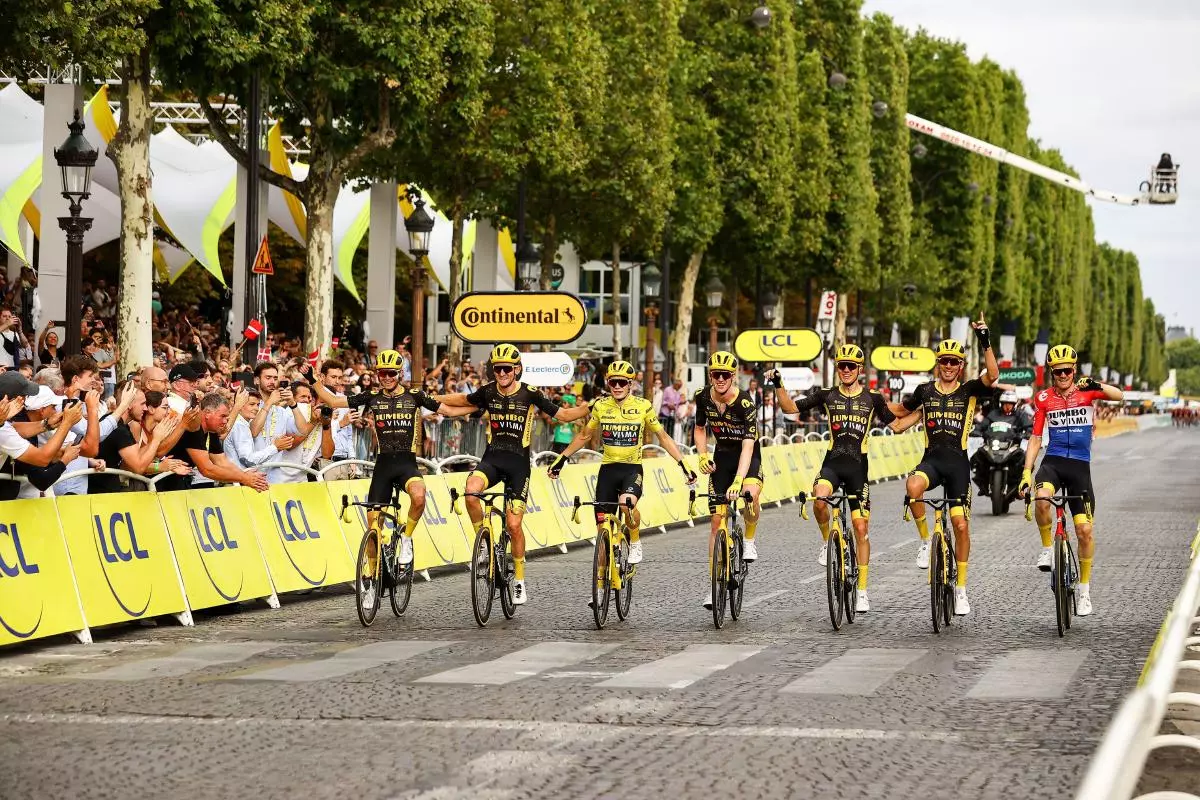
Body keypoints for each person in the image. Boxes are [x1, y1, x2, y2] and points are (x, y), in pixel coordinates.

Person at [436, 343, 591, 605]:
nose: (502, 373)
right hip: (493, 459)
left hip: (519, 464)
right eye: (497, 369)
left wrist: (591, 407)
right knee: (471, 492)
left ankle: (519, 579)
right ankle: (483, 545)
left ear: (517, 369)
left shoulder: (530, 393)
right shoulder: (487, 392)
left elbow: (563, 415)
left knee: (514, 525)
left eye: (507, 368)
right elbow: (458, 404)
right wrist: (425, 400)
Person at [772, 345, 921, 612]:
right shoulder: (827, 395)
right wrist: (778, 384)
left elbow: (897, 426)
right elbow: (790, 407)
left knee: (861, 529)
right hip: (832, 462)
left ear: (860, 370)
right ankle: (826, 540)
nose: (846, 370)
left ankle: (862, 590)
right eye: (842, 365)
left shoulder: (873, 398)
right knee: (819, 499)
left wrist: (923, 412)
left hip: (857, 468)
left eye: (851, 366)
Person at [310, 349, 468, 567]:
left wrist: (481, 406)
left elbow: (449, 411)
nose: (386, 378)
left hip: (407, 465)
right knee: (373, 528)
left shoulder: (415, 395)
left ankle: (407, 537)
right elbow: (333, 401)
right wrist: (312, 380)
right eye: (382, 373)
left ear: (400, 374)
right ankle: (371, 576)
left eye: (391, 374)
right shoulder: (372, 397)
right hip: (383, 466)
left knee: (419, 496)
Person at [893, 315, 998, 616]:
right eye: (944, 361)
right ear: (937, 364)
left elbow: (993, 374)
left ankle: (962, 589)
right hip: (932, 461)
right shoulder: (925, 391)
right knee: (913, 486)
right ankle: (926, 542)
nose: (949, 366)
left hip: (957, 466)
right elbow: (901, 412)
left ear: (961, 365)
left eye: (954, 361)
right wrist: (870, 403)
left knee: (960, 524)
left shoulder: (969, 391)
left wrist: (984, 338)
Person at [548, 361, 694, 570]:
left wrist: (683, 463)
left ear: (630, 384)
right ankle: (600, 586)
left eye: (621, 383)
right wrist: (561, 459)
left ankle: (634, 540)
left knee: (626, 503)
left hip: (631, 469)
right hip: (608, 470)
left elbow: (662, 436)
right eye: (612, 382)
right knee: (602, 531)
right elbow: (584, 435)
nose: (616, 386)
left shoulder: (643, 406)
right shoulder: (600, 405)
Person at [1019, 345, 1124, 617]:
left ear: (1074, 370)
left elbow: (1119, 396)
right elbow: (1036, 438)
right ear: (1052, 373)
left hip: (1079, 467)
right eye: (1058, 372)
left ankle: (1085, 590)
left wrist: (1097, 383)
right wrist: (1026, 472)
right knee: (1041, 500)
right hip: (1053, 463)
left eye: (1067, 370)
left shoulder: (1087, 391)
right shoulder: (1043, 398)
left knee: (1084, 532)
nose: (1063, 375)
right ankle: (1046, 549)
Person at [693, 351, 764, 610]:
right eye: (716, 374)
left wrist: (738, 480)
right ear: (710, 375)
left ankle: (749, 539)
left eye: (725, 375)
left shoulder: (745, 403)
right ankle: (714, 586)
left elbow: (748, 446)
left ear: (733, 377)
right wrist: (701, 456)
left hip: (747, 457)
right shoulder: (702, 396)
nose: (720, 379)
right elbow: (700, 428)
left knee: (749, 497)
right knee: (715, 523)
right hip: (722, 455)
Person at [156, 392, 269, 492]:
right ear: (207, 413)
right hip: (163, 485)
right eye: (223, 416)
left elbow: (221, 461)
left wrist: (245, 476)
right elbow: (207, 469)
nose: (225, 421)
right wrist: (244, 478)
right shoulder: (193, 428)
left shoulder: (212, 430)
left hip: (180, 482)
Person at [970, 390, 1030, 496]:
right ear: (1000, 404)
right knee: (977, 456)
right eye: (1005, 404)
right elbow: (982, 425)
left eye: (1010, 404)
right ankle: (983, 483)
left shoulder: (1020, 415)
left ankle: (1020, 483)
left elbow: (1029, 427)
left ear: (1015, 404)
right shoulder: (993, 414)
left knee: (1025, 459)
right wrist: (977, 431)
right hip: (993, 444)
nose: (1007, 406)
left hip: (1012, 446)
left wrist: (1026, 434)